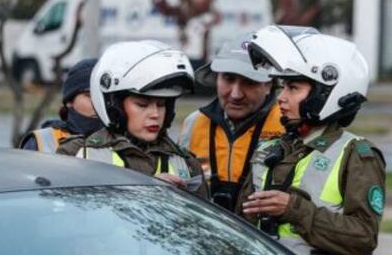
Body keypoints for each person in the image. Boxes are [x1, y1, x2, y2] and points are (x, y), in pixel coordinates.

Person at [240, 26, 386, 255]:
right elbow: (241, 226)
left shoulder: (355, 154)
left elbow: (364, 236)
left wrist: (294, 209)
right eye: (283, 87)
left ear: (325, 92)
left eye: (293, 88)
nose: (281, 97)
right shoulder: (267, 151)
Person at [57, 40, 208, 198]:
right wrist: (147, 188)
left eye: (161, 104)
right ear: (115, 107)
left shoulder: (187, 164)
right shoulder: (76, 154)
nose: (155, 114)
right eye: (142, 105)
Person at [178, 33, 284, 211]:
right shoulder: (194, 123)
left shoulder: (288, 124)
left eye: (249, 82)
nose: (236, 94)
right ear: (216, 78)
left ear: (269, 84)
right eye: (228, 79)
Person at [19, 58, 103, 152]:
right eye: (90, 96)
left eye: (104, 96)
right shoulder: (41, 142)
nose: (98, 103)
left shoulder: (116, 142)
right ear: (69, 101)